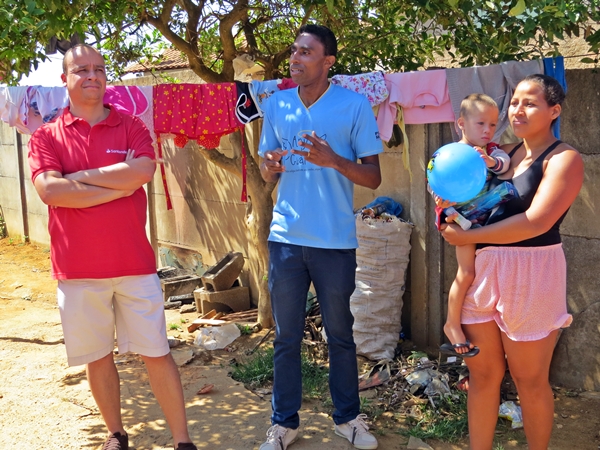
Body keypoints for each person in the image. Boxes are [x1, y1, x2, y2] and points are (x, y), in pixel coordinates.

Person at [27, 44, 197, 450]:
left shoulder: (131, 125)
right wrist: (116, 187)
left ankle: (183, 441)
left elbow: (143, 170)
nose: (92, 76)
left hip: (134, 266)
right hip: (78, 270)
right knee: (98, 356)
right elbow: (51, 191)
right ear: (64, 79)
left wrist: (80, 179)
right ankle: (117, 435)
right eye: (81, 69)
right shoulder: (46, 136)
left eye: (99, 69)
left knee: (157, 352)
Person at [440, 74, 584, 450]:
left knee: (529, 379)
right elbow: (457, 185)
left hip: (533, 273)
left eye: (530, 103)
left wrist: (468, 237)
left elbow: (536, 221)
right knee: (483, 376)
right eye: (515, 101)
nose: (518, 109)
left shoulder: (564, 158)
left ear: (554, 111)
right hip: (484, 272)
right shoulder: (501, 153)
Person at [258, 24, 383, 450]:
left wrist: (333, 160)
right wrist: (269, 164)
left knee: (341, 335)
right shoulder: (276, 105)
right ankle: (283, 424)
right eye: (293, 50)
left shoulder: (354, 105)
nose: (295, 58)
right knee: (286, 337)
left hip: (335, 241)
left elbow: (373, 176)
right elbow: (265, 168)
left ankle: (347, 419)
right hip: (286, 239)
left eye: (305, 52)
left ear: (327, 62)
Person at [435, 93, 510, 356]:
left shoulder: (492, 151)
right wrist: (444, 204)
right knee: (466, 272)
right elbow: (438, 182)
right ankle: (452, 324)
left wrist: (491, 162)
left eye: (492, 124)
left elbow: (504, 164)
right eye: (481, 124)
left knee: (484, 272)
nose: (488, 130)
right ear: (461, 124)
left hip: (487, 221)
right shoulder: (450, 156)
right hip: (461, 221)